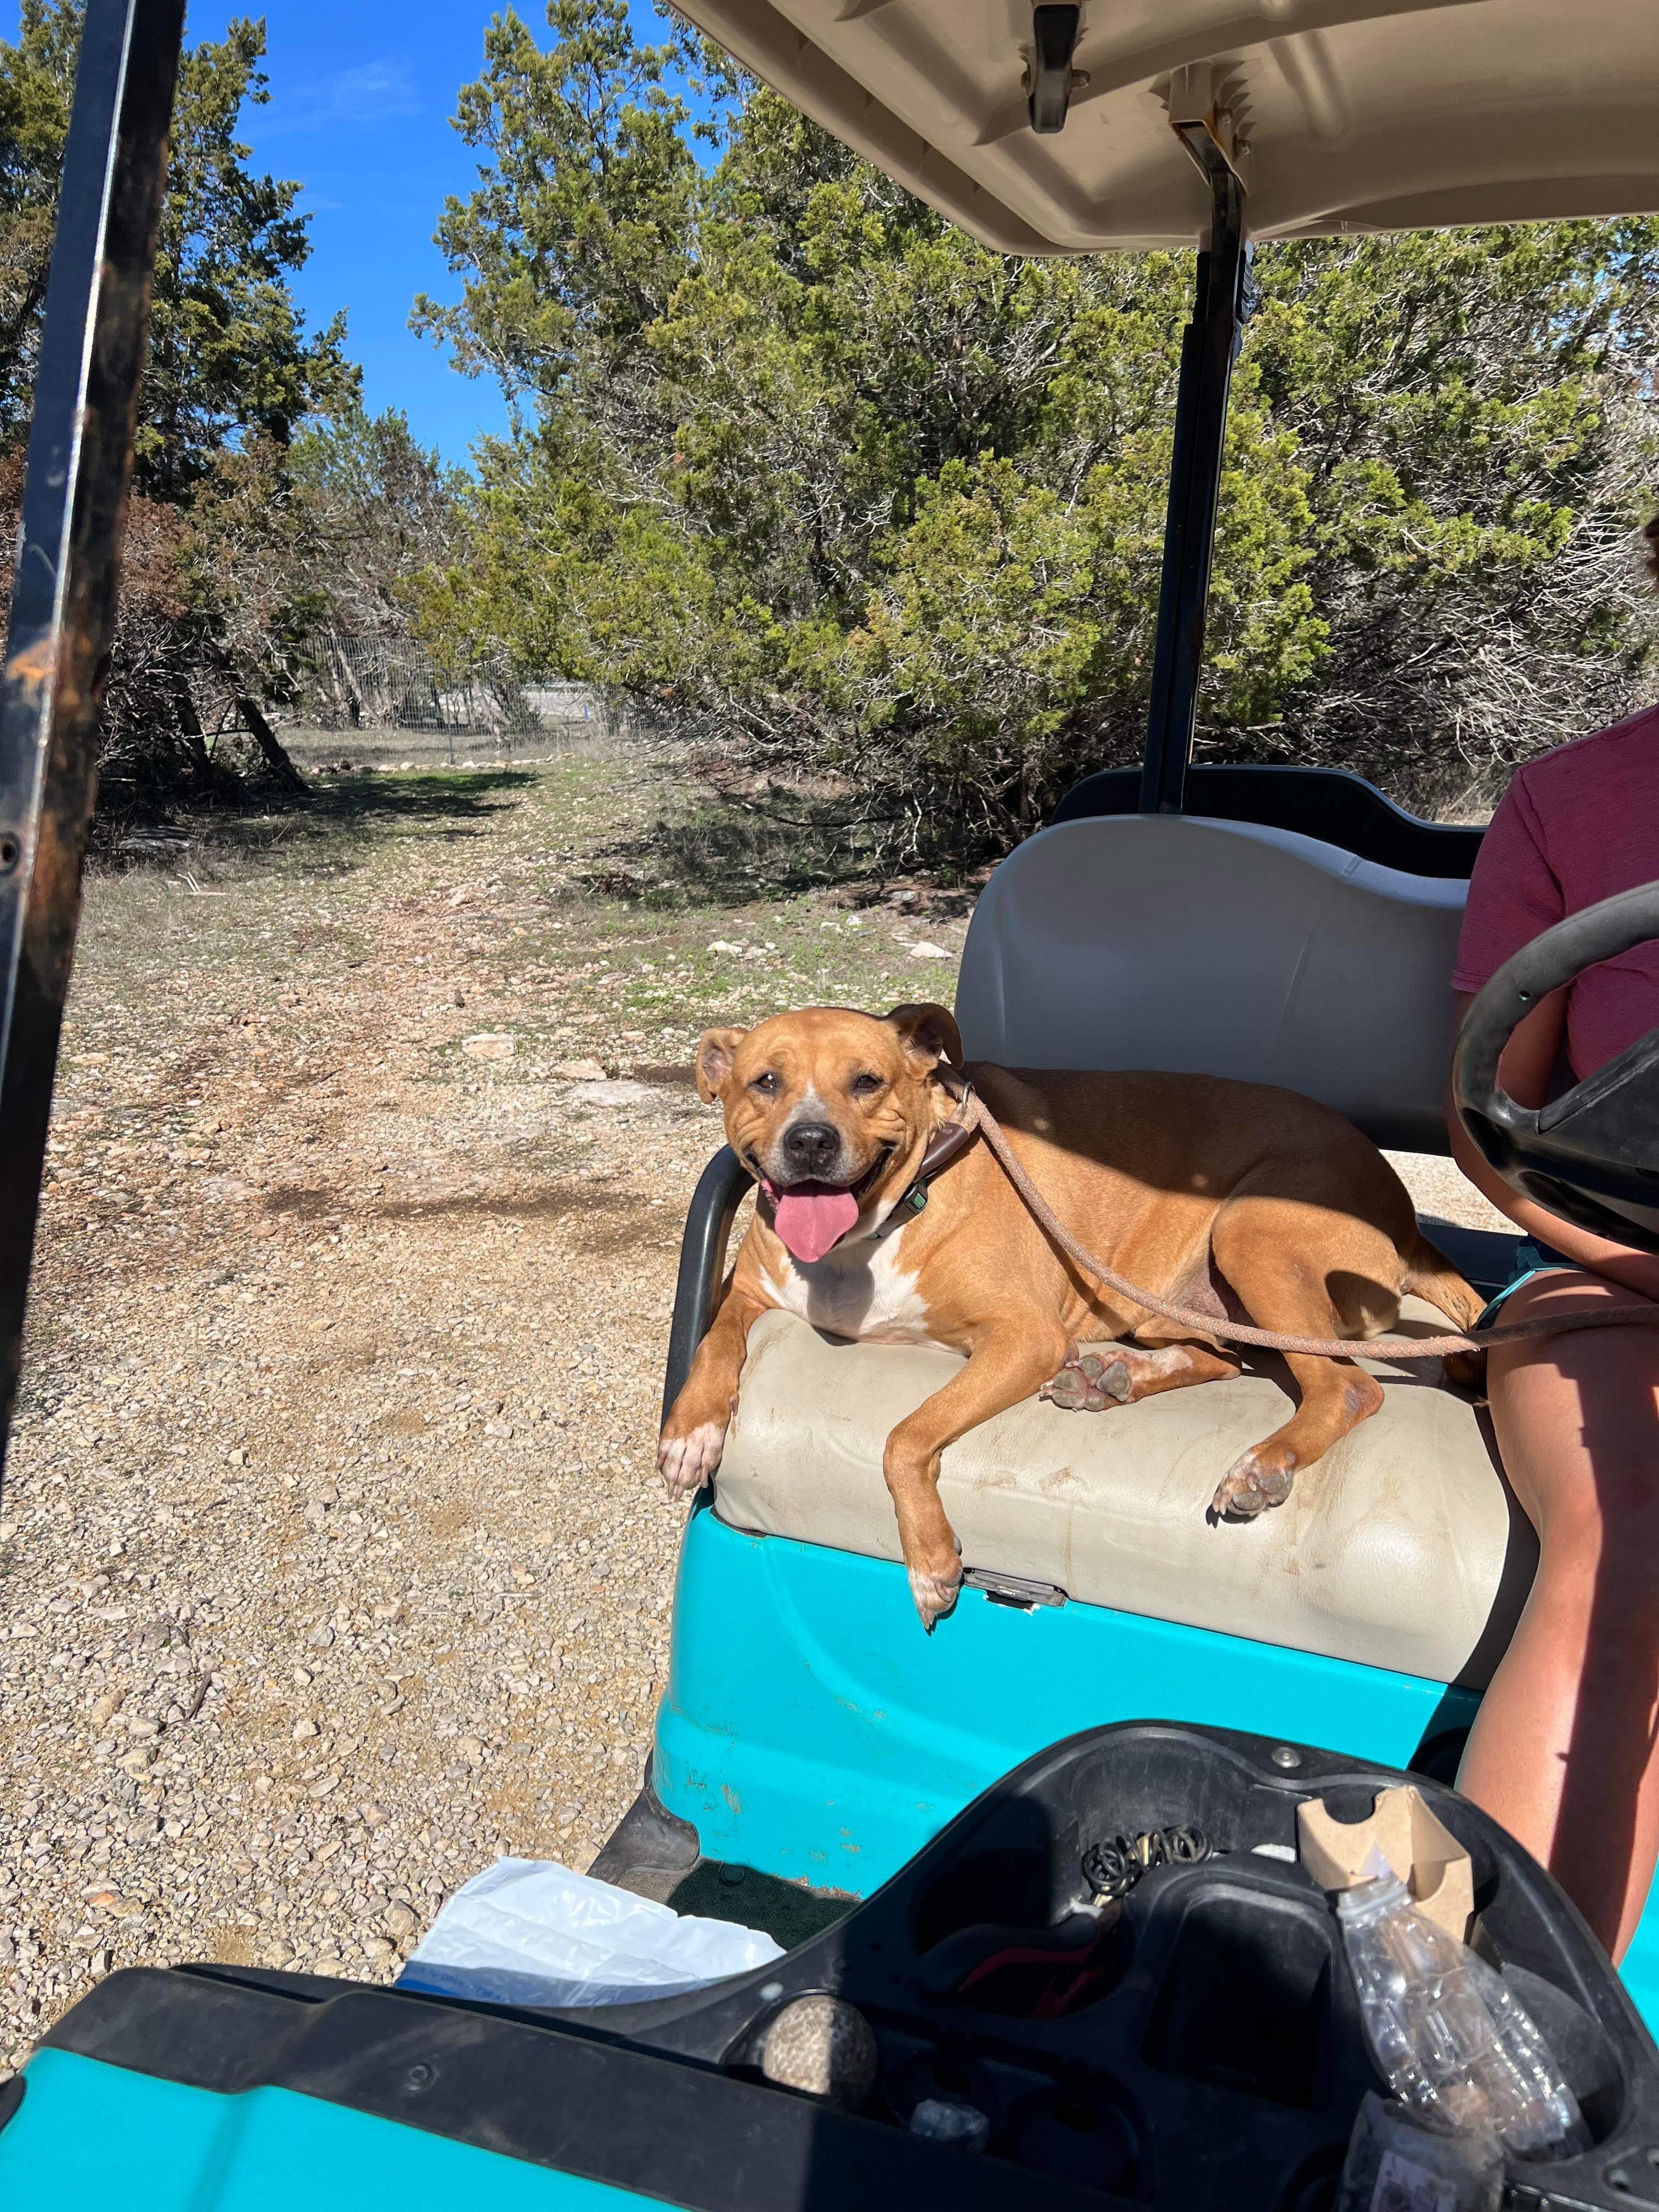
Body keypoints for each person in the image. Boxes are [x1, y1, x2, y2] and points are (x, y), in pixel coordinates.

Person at [1447, 521, 1659, 1961]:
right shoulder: (1571, 800)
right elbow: (1489, 1121)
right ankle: (1508, 2065)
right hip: (1609, 1278)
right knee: (1632, 1528)